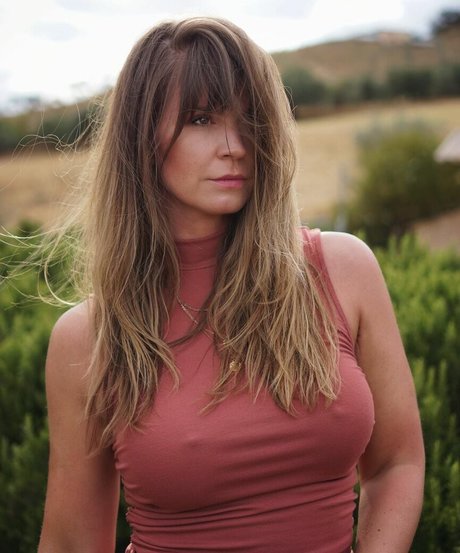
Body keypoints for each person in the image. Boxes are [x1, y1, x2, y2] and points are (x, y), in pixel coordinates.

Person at [37, 17, 425, 553]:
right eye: (201, 119)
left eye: (250, 118)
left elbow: (397, 463)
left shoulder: (341, 270)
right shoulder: (89, 336)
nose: (236, 145)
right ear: (141, 136)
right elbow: (70, 541)